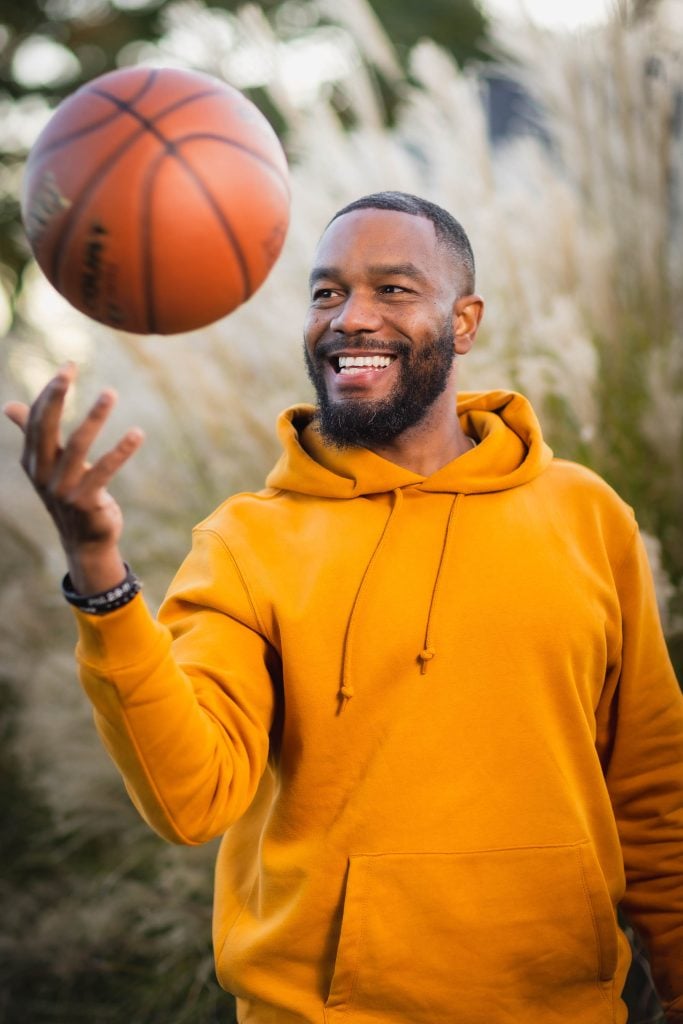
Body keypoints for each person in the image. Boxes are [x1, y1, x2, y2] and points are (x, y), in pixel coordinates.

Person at [5, 191, 683, 1024]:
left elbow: (653, 789)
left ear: (463, 322)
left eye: (393, 289)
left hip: (564, 1007)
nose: (350, 317)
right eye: (326, 293)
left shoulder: (586, 514)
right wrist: (99, 572)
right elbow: (191, 800)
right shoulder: (247, 540)